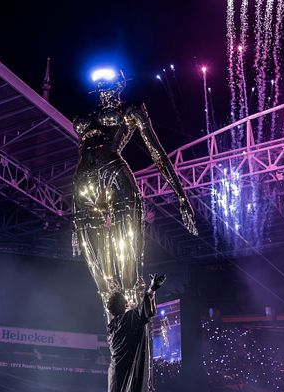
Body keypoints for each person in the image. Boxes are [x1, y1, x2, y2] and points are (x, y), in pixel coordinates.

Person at [72, 68, 197, 309]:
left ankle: (136, 321)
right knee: (99, 272)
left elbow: (157, 152)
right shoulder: (86, 115)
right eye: (99, 84)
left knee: (128, 258)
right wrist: (74, 222)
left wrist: (182, 197)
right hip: (83, 184)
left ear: (120, 85)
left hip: (114, 175)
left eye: (108, 83)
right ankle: (115, 326)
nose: (102, 88)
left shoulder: (131, 109)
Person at [106, 272, 166, 392]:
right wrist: (152, 289)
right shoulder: (128, 319)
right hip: (128, 373)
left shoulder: (111, 327)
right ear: (125, 305)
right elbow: (144, 311)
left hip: (115, 375)